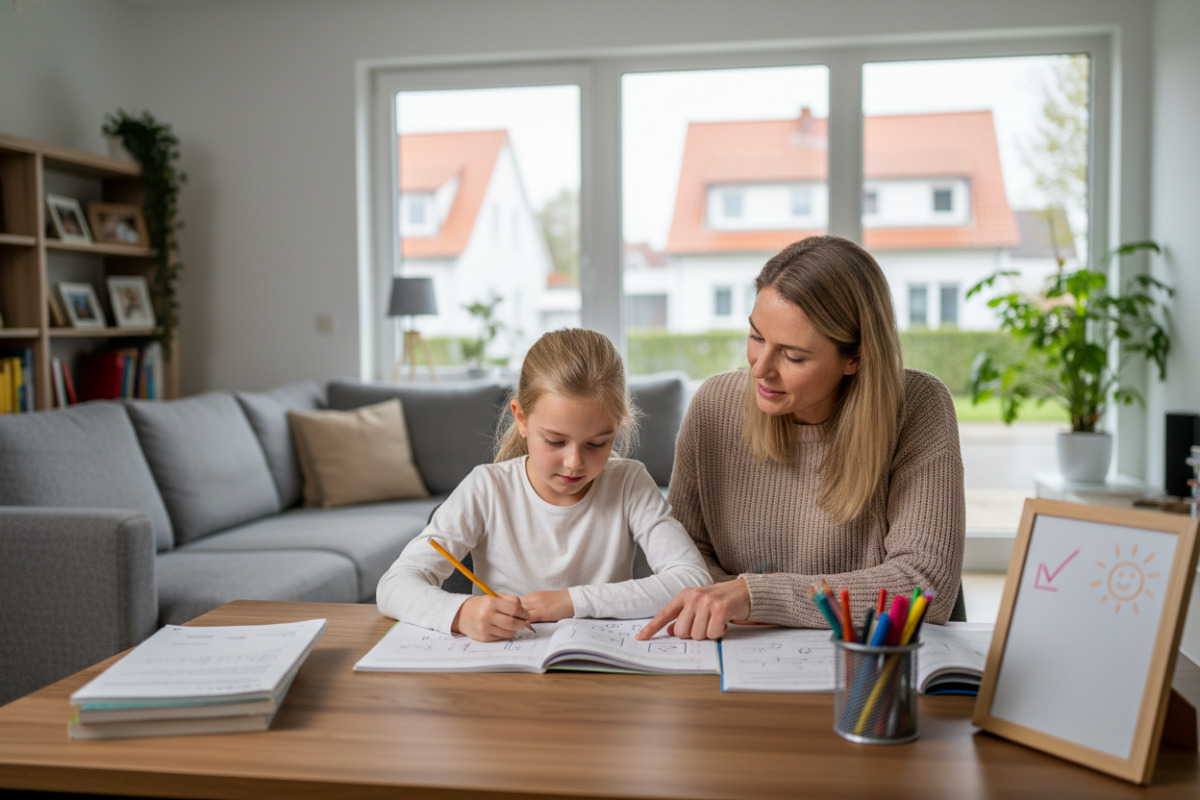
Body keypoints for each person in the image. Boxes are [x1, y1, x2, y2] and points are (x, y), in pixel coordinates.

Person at [638, 235, 965, 642]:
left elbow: (924, 586)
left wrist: (758, 597)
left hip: (868, 662)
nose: (760, 369)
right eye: (756, 337)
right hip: (739, 651)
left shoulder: (919, 406)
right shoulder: (714, 406)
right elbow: (685, 560)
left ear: (855, 358)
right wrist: (744, 603)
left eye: (793, 356)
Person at [376, 328, 711, 641]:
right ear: (521, 419)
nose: (575, 463)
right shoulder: (487, 488)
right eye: (554, 441)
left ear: (617, 427)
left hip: (601, 666)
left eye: (597, 443)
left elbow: (693, 580)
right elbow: (394, 585)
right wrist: (461, 613)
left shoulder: (629, 482)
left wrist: (570, 601)